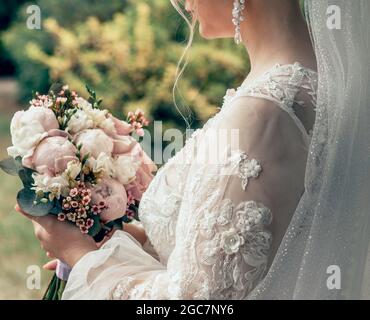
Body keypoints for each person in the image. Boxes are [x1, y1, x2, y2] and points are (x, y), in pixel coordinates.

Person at [19, 0, 369, 299]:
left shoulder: (264, 111)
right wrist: (121, 243)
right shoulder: (316, 86)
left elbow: (197, 300)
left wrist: (82, 258)